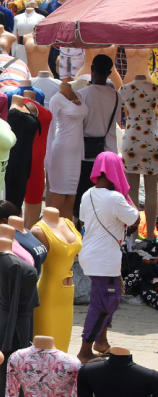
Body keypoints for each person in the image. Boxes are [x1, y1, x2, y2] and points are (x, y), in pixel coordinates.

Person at [77, 152, 139, 364]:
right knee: (103, 303)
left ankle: (101, 342)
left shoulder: (87, 194)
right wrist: (128, 197)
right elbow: (134, 218)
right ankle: (85, 350)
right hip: (104, 259)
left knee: (109, 299)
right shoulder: (115, 198)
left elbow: (85, 219)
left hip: (92, 255)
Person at [74, 54, 123, 217]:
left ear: (92, 69)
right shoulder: (116, 96)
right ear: (109, 73)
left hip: (85, 155)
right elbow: (115, 121)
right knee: (103, 205)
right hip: (108, 156)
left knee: (82, 201)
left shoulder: (82, 94)